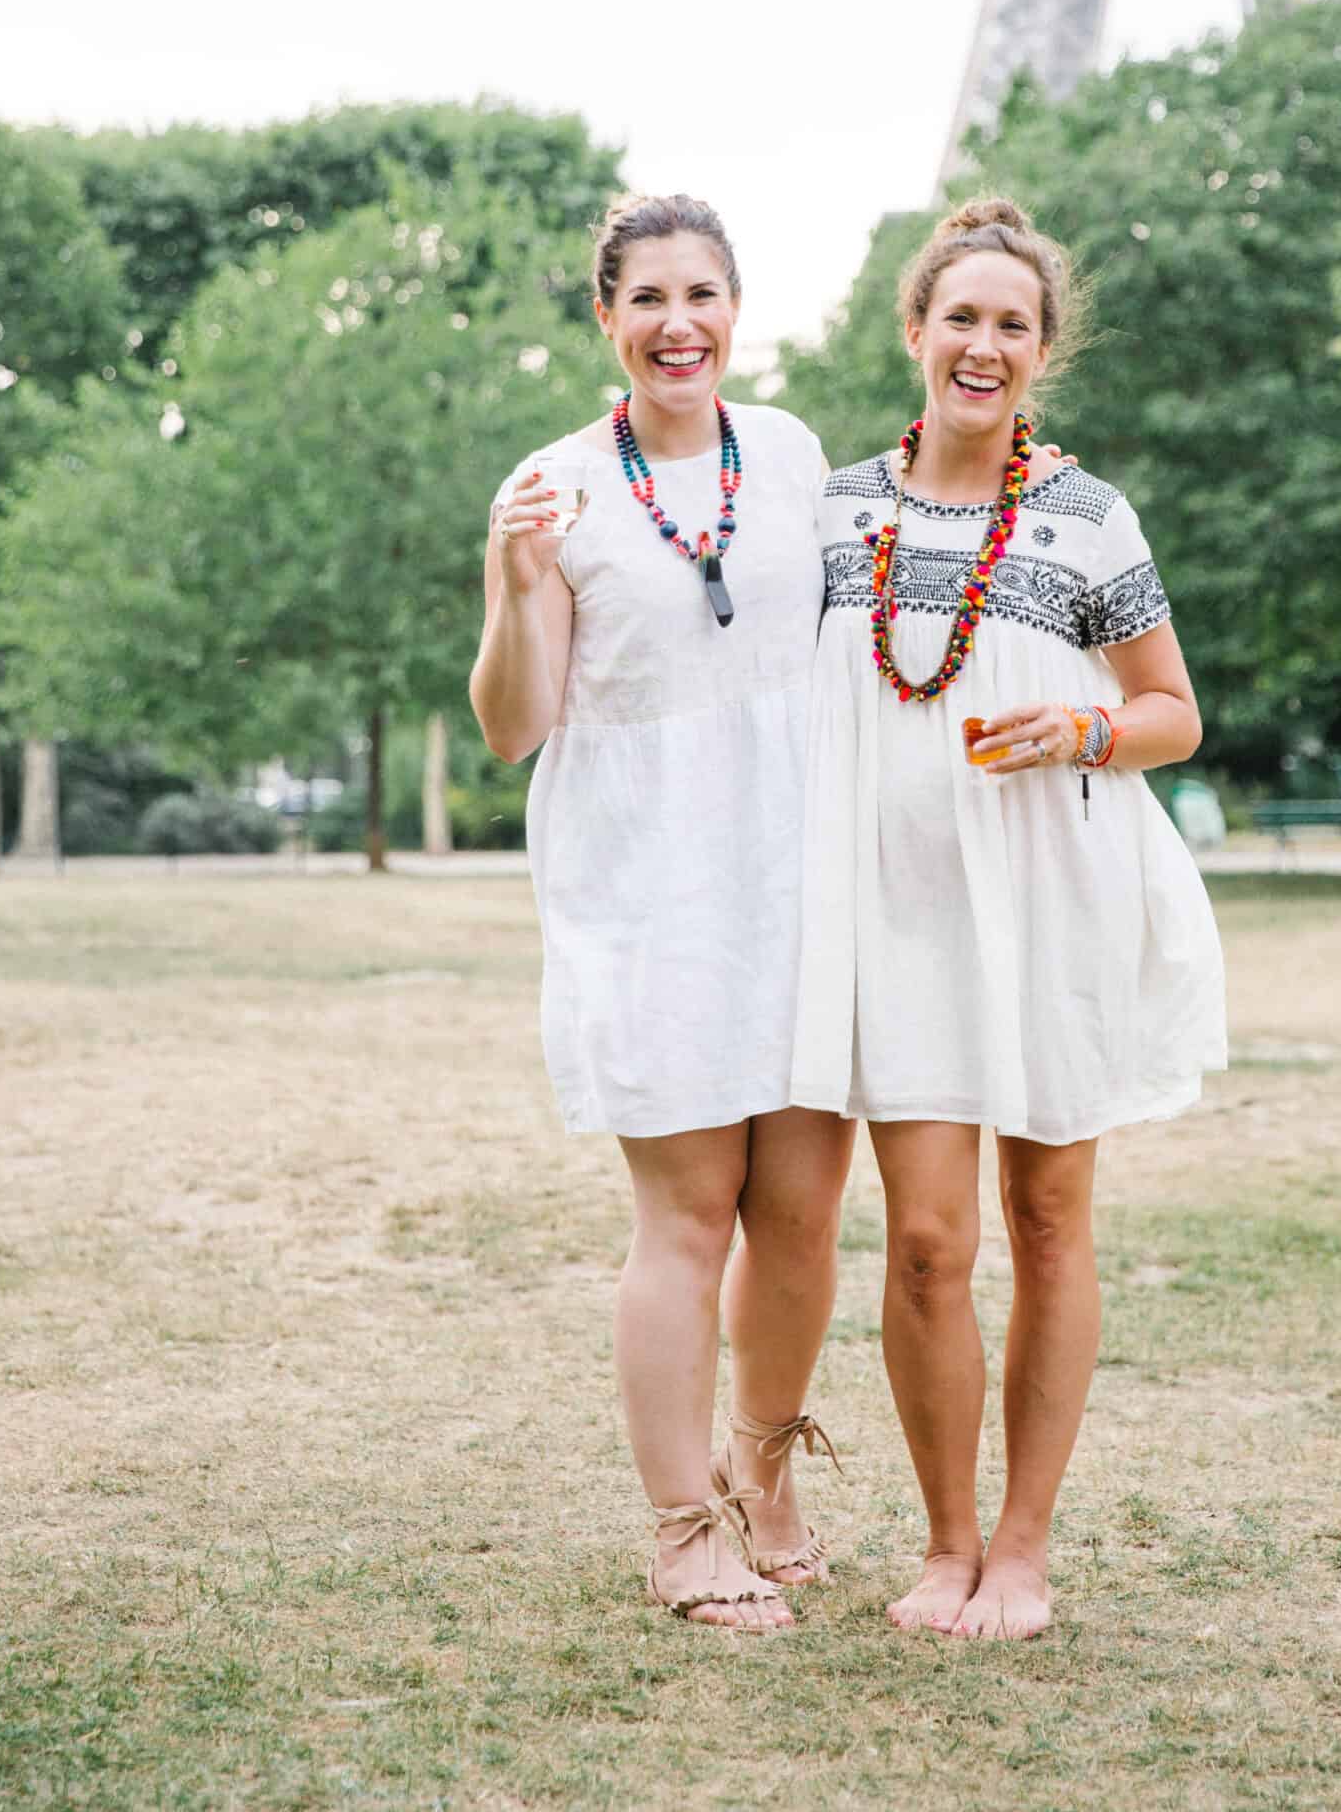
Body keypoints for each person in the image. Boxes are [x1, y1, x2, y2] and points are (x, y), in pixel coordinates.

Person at [791, 196, 1226, 1641]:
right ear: (915, 332)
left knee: (1048, 1218)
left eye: (1013, 326)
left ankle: (1024, 1553)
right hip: (899, 911)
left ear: (1043, 355)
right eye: (961, 318)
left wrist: (1088, 732)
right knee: (926, 1242)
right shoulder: (836, 511)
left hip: (1052, 900)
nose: (984, 345)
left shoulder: (1087, 517)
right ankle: (945, 1542)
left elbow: (1175, 715)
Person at [470, 192, 855, 1633]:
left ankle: (765, 1477)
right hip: (652, 893)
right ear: (607, 319)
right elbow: (516, 726)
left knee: (804, 1217)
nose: (677, 322)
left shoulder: (798, 452)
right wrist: (515, 587)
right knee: (689, 1220)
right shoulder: (553, 487)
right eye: (648, 299)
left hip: (801, 884)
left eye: (703, 294)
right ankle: (684, 1527)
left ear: (735, 309)